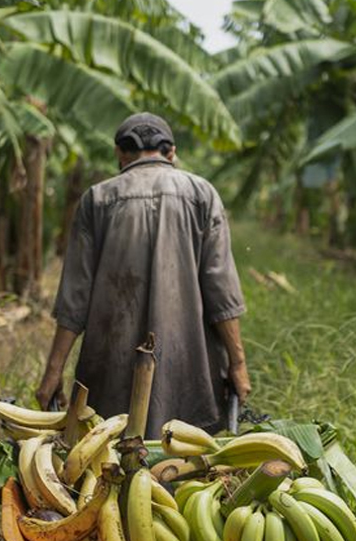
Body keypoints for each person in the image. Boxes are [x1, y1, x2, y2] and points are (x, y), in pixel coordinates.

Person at [36, 112, 250, 433]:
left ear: (120, 154)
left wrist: (53, 372)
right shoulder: (202, 195)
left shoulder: (96, 200)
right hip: (188, 370)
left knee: (105, 463)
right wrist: (238, 364)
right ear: (171, 152)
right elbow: (222, 292)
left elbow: (74, 300)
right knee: (186, 465)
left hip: (110, 369)